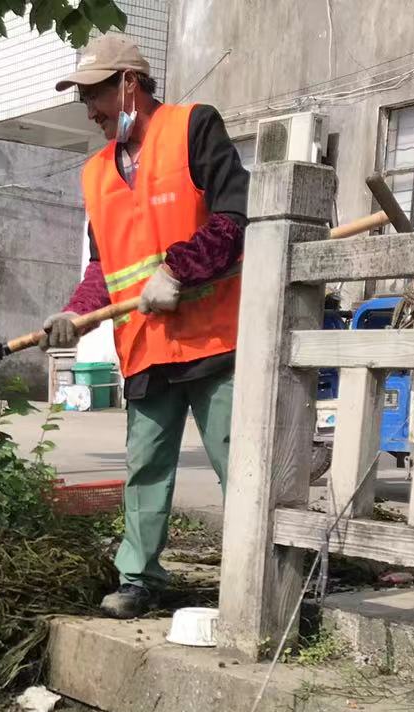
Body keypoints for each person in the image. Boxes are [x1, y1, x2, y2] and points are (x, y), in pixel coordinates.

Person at [43, 34, 249, 619]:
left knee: (239, 462)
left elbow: (238, 216)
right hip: (144, 344)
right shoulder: (96, 174)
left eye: (96, 96)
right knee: (145, 468)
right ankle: (138, 578)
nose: (91, 111)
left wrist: (180, 269)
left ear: (129, 84)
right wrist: (77, 312)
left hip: (214, 336)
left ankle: (255, 573)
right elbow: (103, 264)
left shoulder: (193, 128)